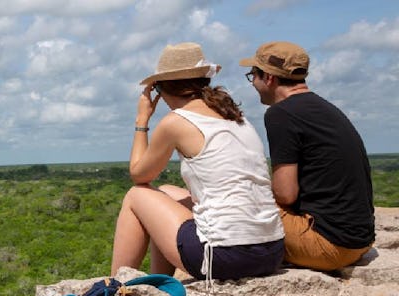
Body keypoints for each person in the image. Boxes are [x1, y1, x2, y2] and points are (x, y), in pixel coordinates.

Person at [110, 42, 284, 282]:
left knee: (136, 194)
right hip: (271, 251)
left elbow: (139, 175)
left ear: (162, 88)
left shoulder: (175, 121)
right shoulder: (236, 116)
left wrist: (142, 120)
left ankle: (114, 287)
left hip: (225, 256)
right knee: (166, 192)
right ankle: (159, 281)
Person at [240, 41, 375, 271]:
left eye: (253, 75)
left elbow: (286, 194)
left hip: (329, 246)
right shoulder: (326, 108)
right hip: (360, 242)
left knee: (233, 205)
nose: (253, 82)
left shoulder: (280, 114)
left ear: (269, 78)